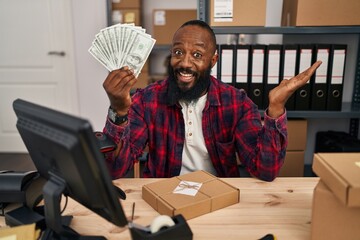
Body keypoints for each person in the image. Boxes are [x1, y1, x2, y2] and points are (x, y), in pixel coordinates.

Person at [102, 20, 321, 181]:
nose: (185, 63)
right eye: (179, 52)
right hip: (163, 199)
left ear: (213, 60)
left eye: (197, 55)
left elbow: (265, 170)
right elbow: (114, 170)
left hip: (219, 199)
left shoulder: (237, 103)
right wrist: (118, 111)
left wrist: (275, 108)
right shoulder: (146, 100)